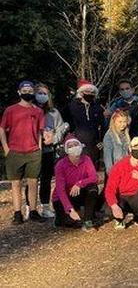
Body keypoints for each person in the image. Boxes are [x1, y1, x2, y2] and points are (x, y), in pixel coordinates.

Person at [1, 80, 48, 224]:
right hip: (14, 151)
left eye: (30, 91)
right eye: (24, 90)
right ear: (19, 92)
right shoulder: (11, 110)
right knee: (16, 184)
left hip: (33, 152)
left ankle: (33, 211)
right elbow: (2, 129)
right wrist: (6, 148)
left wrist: (39, 147)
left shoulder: (38, 111)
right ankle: (17, 213)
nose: (27, 93)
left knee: (33, 182)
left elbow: (40, 132)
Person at [34, 83, 67, 219]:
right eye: (39, 93)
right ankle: (31, 208)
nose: (42, 96)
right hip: (33, 150)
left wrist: (54, 138)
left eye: (45, 93)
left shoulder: (54, 112)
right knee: (32, 180)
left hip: (48, 150)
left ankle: (45, 206)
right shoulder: (31, 110)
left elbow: (61, 127)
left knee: (46, 179)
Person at [53, 138, 99, 231]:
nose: (74, 147)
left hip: (79, 192)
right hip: (63, 197)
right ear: (66, 150)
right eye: (70, 146)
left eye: (76, 144)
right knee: (70, 223)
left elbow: (94, 177)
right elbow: (60, 190)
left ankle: (88, 221)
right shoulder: (60, 165)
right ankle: (62, 217)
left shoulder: (86, 159)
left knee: (93, 188)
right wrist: (70, 209)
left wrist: (79, 183)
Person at [66, 79, 104, 165]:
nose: (90, 94)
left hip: (94, 145)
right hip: (77, 143)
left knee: (92, 169)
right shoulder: (71, 107)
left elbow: (103, 125)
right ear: (81, 92)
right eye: (87, 91)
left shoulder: (97, 108)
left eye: (92, 92)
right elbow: (67, 124)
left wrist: (101, 141)